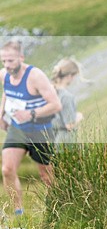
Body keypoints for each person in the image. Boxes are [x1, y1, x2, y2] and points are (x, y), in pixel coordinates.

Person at [0, 40, 63, 216]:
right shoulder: (4, 74)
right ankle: (18, 212)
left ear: (21, 57)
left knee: (47, 176)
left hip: (40, 129)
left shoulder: (35, 76)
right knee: (7, 169)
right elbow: (7, 91)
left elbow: (56, 105)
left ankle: (58, 210)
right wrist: (1, 113)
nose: (7, 65)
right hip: (17, 128)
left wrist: (31, 114)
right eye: (3, 61)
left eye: (11, 61)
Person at [50, 58, 85, 144]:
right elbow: (69, 125)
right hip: (66, 142)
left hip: (54, 142)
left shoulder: (50, 93)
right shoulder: (66, 97)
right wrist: (78, 116)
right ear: (69, 76)